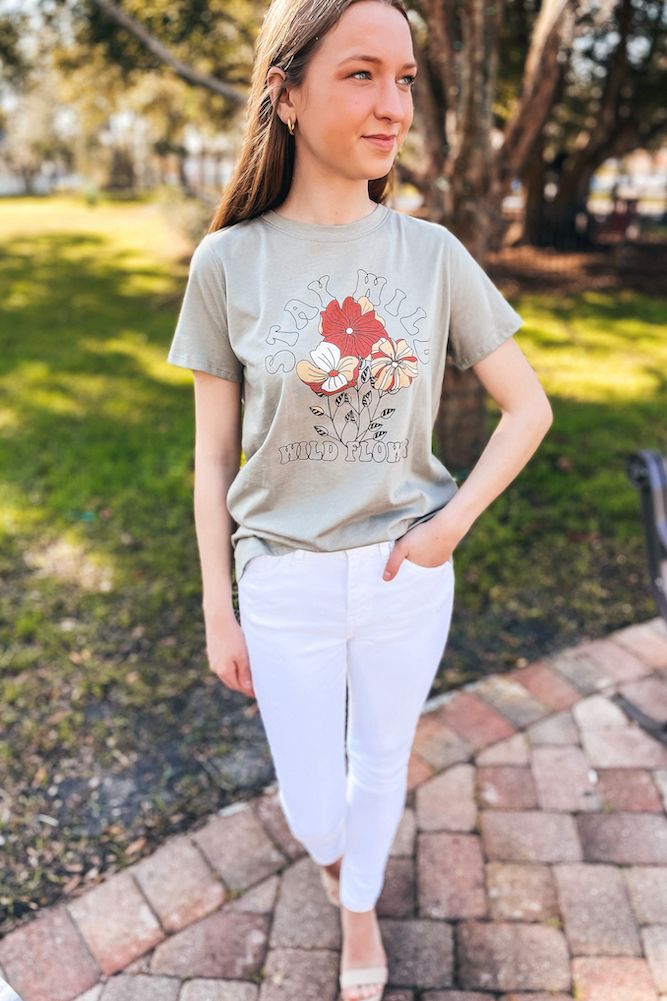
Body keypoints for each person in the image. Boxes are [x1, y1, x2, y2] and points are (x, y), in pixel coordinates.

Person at [166, 1, 553, 998]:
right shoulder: (228, 262)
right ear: (287, 94)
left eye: (406, 79)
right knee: (312, 809)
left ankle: (358, 910)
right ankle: (342, 867)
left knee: (381, 764)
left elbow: (529, 408)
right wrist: (218, 604)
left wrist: (447, 527)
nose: (393, 106)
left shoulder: (432, 255)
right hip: (283, 581)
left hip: (402, 575)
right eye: (361, 74)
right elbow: (211, 456)